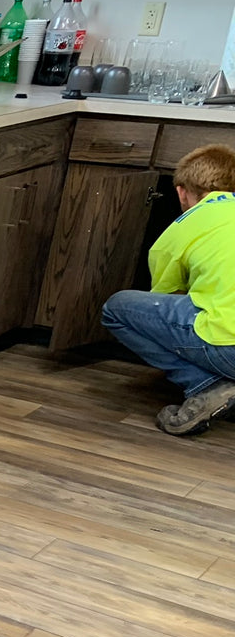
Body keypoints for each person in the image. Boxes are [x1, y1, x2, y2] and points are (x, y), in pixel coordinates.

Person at [101, 143, 235, 437]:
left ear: (181, 193)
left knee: (118, 309)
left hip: (230, 350)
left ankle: (207, 386)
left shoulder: (182, 228)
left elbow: (166, 301)